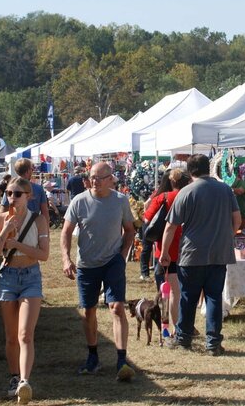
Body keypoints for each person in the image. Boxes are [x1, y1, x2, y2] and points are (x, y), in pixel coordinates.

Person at [61, 162, 137, 381]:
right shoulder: (79, 201)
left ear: (110, 178)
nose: (93, 181)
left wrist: (122, 256)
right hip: (86, 264)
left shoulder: (120, 201)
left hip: (113, 261)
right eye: (91, 177)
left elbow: (130, 231)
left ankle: (122, 360)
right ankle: (93, 356)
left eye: (99, 178)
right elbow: (65, 232)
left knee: (116, 307)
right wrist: (66, 259)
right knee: (88, 311)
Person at [160, 154, 241, 356]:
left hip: (192, 254)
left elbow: (171, 226)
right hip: (219, 254)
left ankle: (183, 338)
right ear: (209, 168)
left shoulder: (186, 192)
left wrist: (163, 252)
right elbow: (237, 220)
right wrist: (226, 236)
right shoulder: (225, 190)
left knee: (188, 296)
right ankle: (213, 343)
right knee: (214, 297)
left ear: (190, 171)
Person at [0, 177, 50, 404]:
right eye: (8, 193)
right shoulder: (0, 219)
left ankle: (25, 381)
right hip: (8, 278)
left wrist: (16, 245)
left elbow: (43, 255)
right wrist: (5, 231)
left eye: (17, 194)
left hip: (31, 277)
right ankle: (14, 378)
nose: (12, 198)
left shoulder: (39, 220)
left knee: (26, 334)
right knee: (11, 336)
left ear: (28, 196)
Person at [142, 168, 191, 336]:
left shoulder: (162, 198)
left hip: (164, 251)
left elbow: (147, 220)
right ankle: (178, 328)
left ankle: (165, 328)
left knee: (166, 294)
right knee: (178, 295)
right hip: (188, 251)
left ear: (171, 181)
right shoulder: (190, 197)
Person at [0, 159, 50, 225]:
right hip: (34, 226)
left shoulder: (10, 188)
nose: (32, 172)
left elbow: (3, 211)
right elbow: (45, 213)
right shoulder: (38, 189)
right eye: (32, 169)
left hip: (14, 226)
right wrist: (46, 231)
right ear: (28, 171)